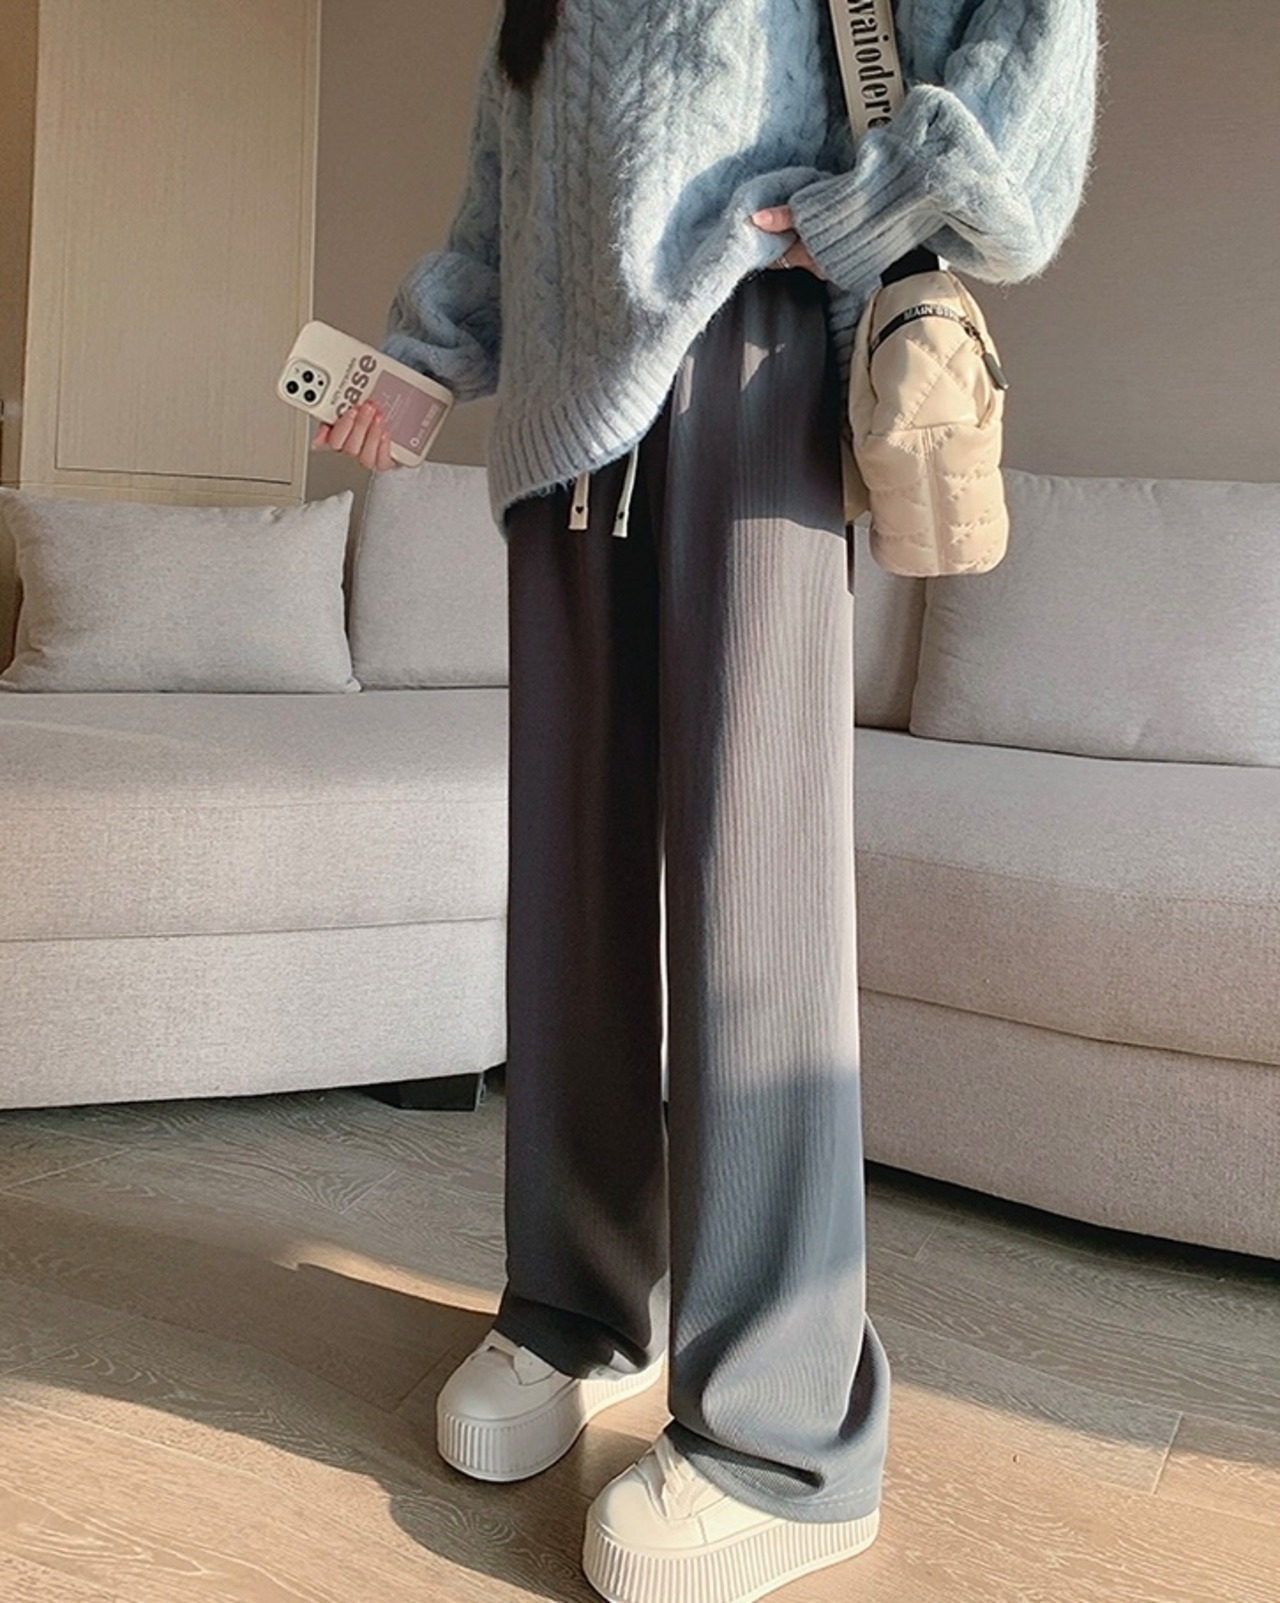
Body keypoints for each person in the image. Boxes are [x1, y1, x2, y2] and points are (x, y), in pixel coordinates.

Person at [314, 3, 1099, 1598]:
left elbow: (1028, 36)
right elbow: (509, 181)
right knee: (572, 901)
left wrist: (858, 210)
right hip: (561, 429)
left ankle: (786, 1440)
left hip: (753, 355)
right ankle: (579, 1308)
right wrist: (423, 356)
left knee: (758, 910)